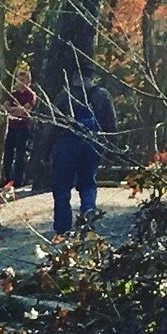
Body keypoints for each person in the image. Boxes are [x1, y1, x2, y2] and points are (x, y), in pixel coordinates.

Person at [50, 69, 116, 236]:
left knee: (62, 186)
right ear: (91, 78)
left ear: (74, 78)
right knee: (88, 182)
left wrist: (44, 150)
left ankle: (63, 226)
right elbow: (110, 123)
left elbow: (52, 125)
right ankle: (88, 212)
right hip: (92, 143)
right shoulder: (102, 96)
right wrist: (111, 149)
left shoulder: (65, 96)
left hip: (67, 144)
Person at [1, 67, 36, 188]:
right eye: (19, 79)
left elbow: (25, 110)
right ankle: (7, 179)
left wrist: (14, 110)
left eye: (23, 79)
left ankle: (18, 180)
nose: (21, 82)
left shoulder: (30, 95)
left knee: (20, 155)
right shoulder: (12, 94)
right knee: (8, 154)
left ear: (28, 81)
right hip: (11, 127)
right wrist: (13, 110)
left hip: (23, 127)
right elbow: (6, 108)